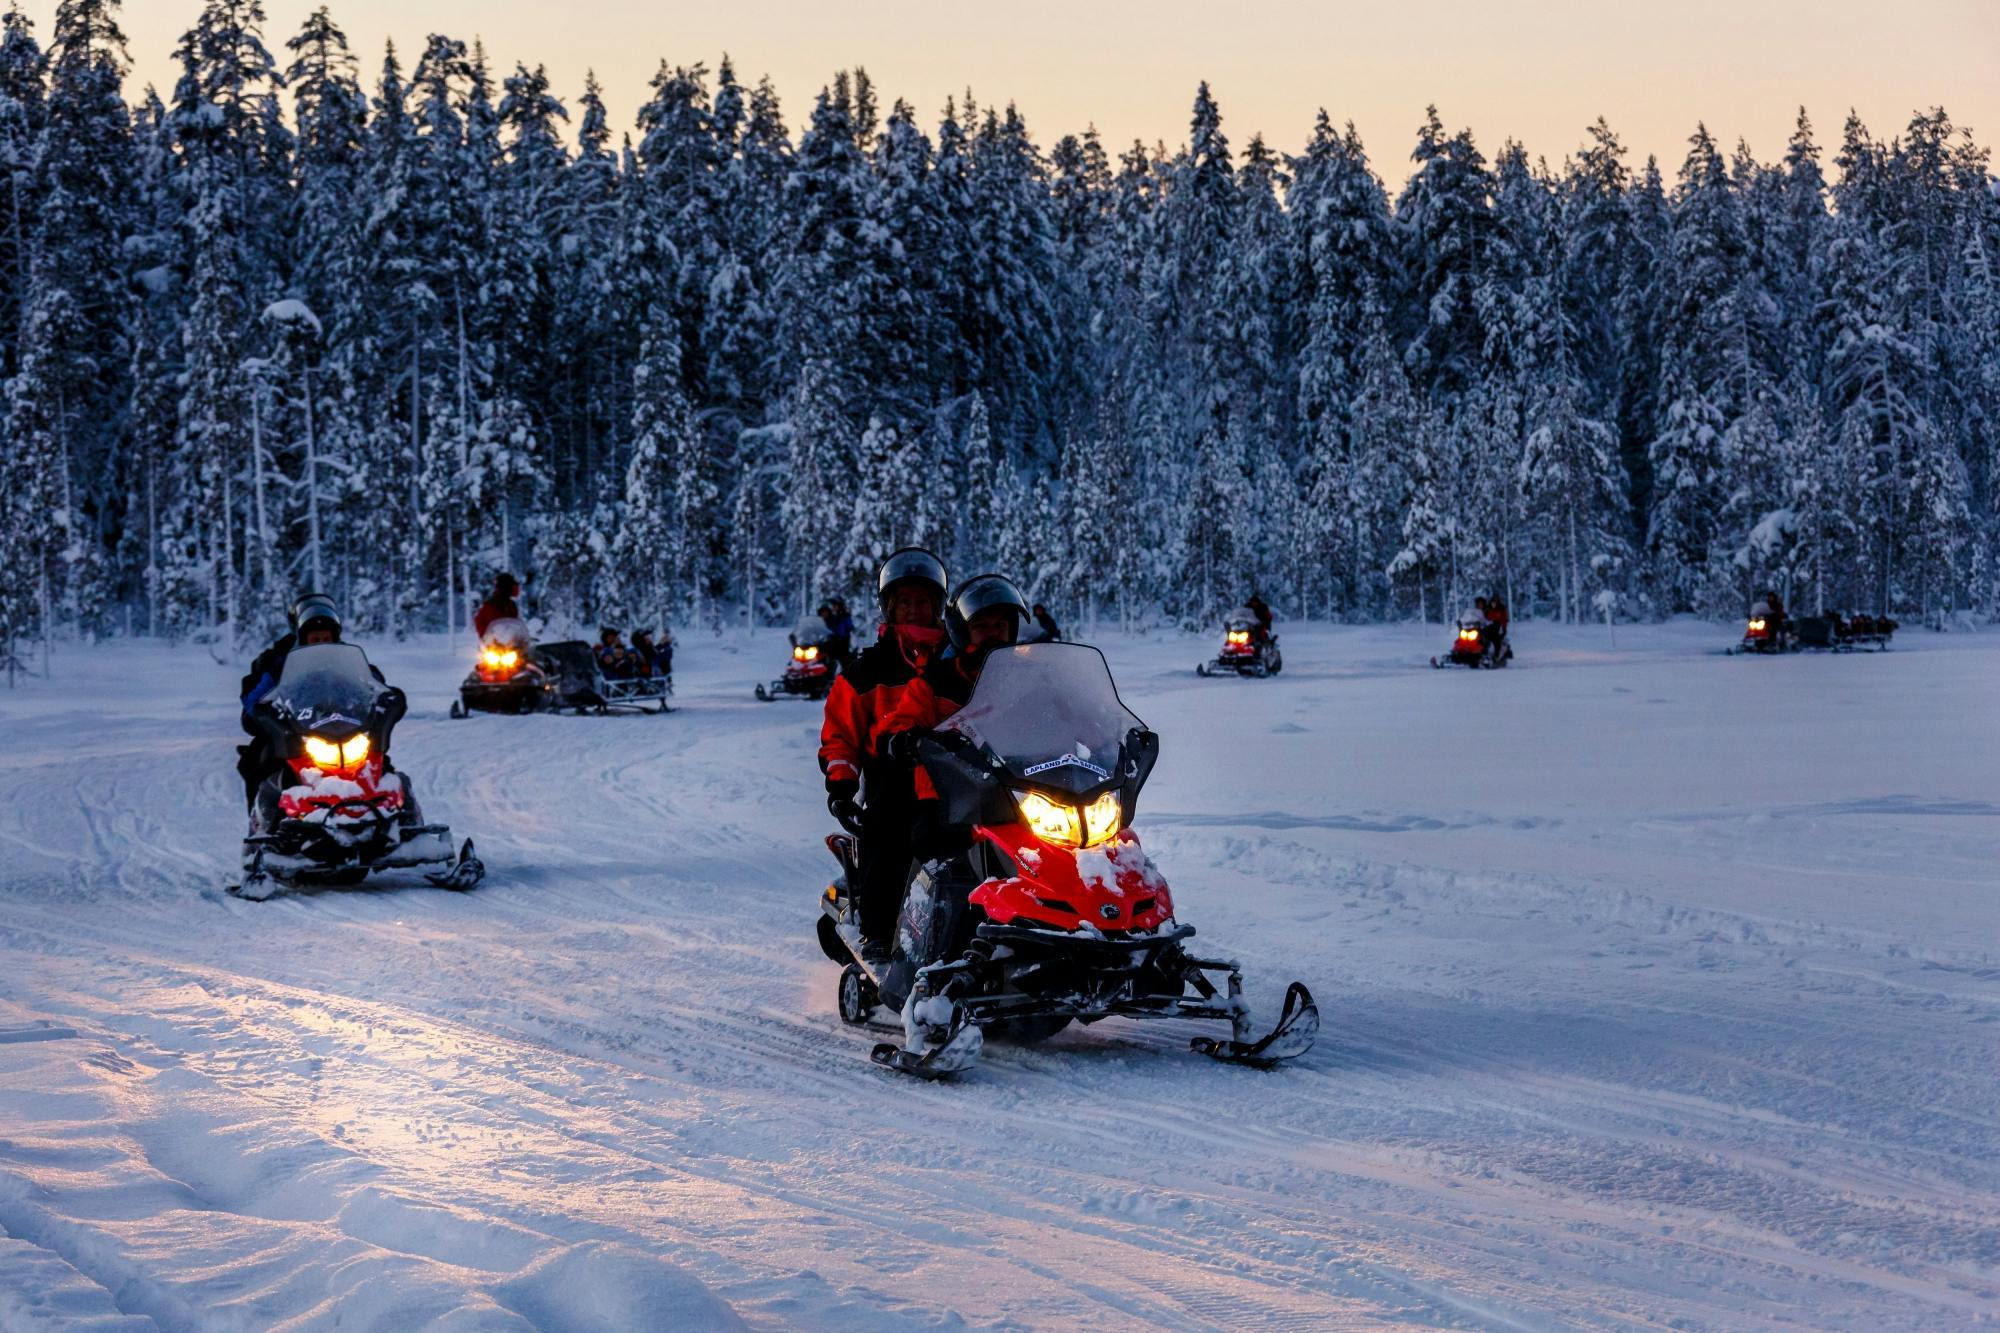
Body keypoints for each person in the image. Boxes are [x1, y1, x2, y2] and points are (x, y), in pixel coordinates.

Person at [820, 548, 950, 963]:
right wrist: (841, 784)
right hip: (893, 780)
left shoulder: (961, 661)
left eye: (923, 601)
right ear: (890, 608)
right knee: (889, 834)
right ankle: (878, 933)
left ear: (938, 607)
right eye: (906, 602)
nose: (915, 610)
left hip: (964, 779)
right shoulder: (867, 670)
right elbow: (839, 734)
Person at [237, 593, 382, 807]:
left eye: (326, 638)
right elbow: (252, 698)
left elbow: (374, 683)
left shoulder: (347, 659)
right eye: (315, 639)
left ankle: (404, 820)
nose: (321, 644)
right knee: (256, 761)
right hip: (295, 729)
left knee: (381, 763)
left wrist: (382, 696)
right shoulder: (278, 658)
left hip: (345, 727)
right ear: (302, 636)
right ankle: (261, 828)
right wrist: (263, 704)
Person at [474, 572, 521, 638]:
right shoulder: (491, 604)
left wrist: (519, 634)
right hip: (493, 643)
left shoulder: (511, 605)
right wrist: (486, 636)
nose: (516, 588)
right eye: (513, 585)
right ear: (506, 587)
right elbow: (479, 621)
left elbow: (515, 623)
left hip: (510, 642)